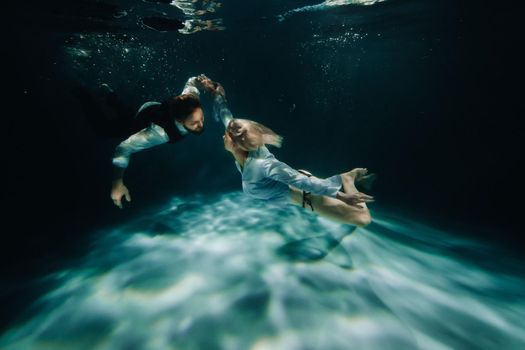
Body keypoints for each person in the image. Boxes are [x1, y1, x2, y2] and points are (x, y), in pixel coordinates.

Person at [212, 89, 374, 226]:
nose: (224, 134)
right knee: (358, 217)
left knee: (363, 219)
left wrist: (341, 195)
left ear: (234, 143)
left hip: (308, 196)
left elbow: (301, 181)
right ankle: (343, 179)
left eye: (227, 134)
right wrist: (217, 93)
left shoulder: (263, 165)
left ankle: (347, 179)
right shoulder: (241, 146)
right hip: (300, 187)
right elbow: (226, 116)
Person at [105, 74, 223, 208]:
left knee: (126, 113)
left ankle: (110, 95)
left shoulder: (192, 100)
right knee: (109, 129)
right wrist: (117, 182)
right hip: (141, 120)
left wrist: (203, 82)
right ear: (179, 121)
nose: (201, 125)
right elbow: (123, 148)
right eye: (194, 123)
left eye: (201, 118)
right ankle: (87, 92)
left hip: (154, 108)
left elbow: (191, 82)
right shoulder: (160, 134)